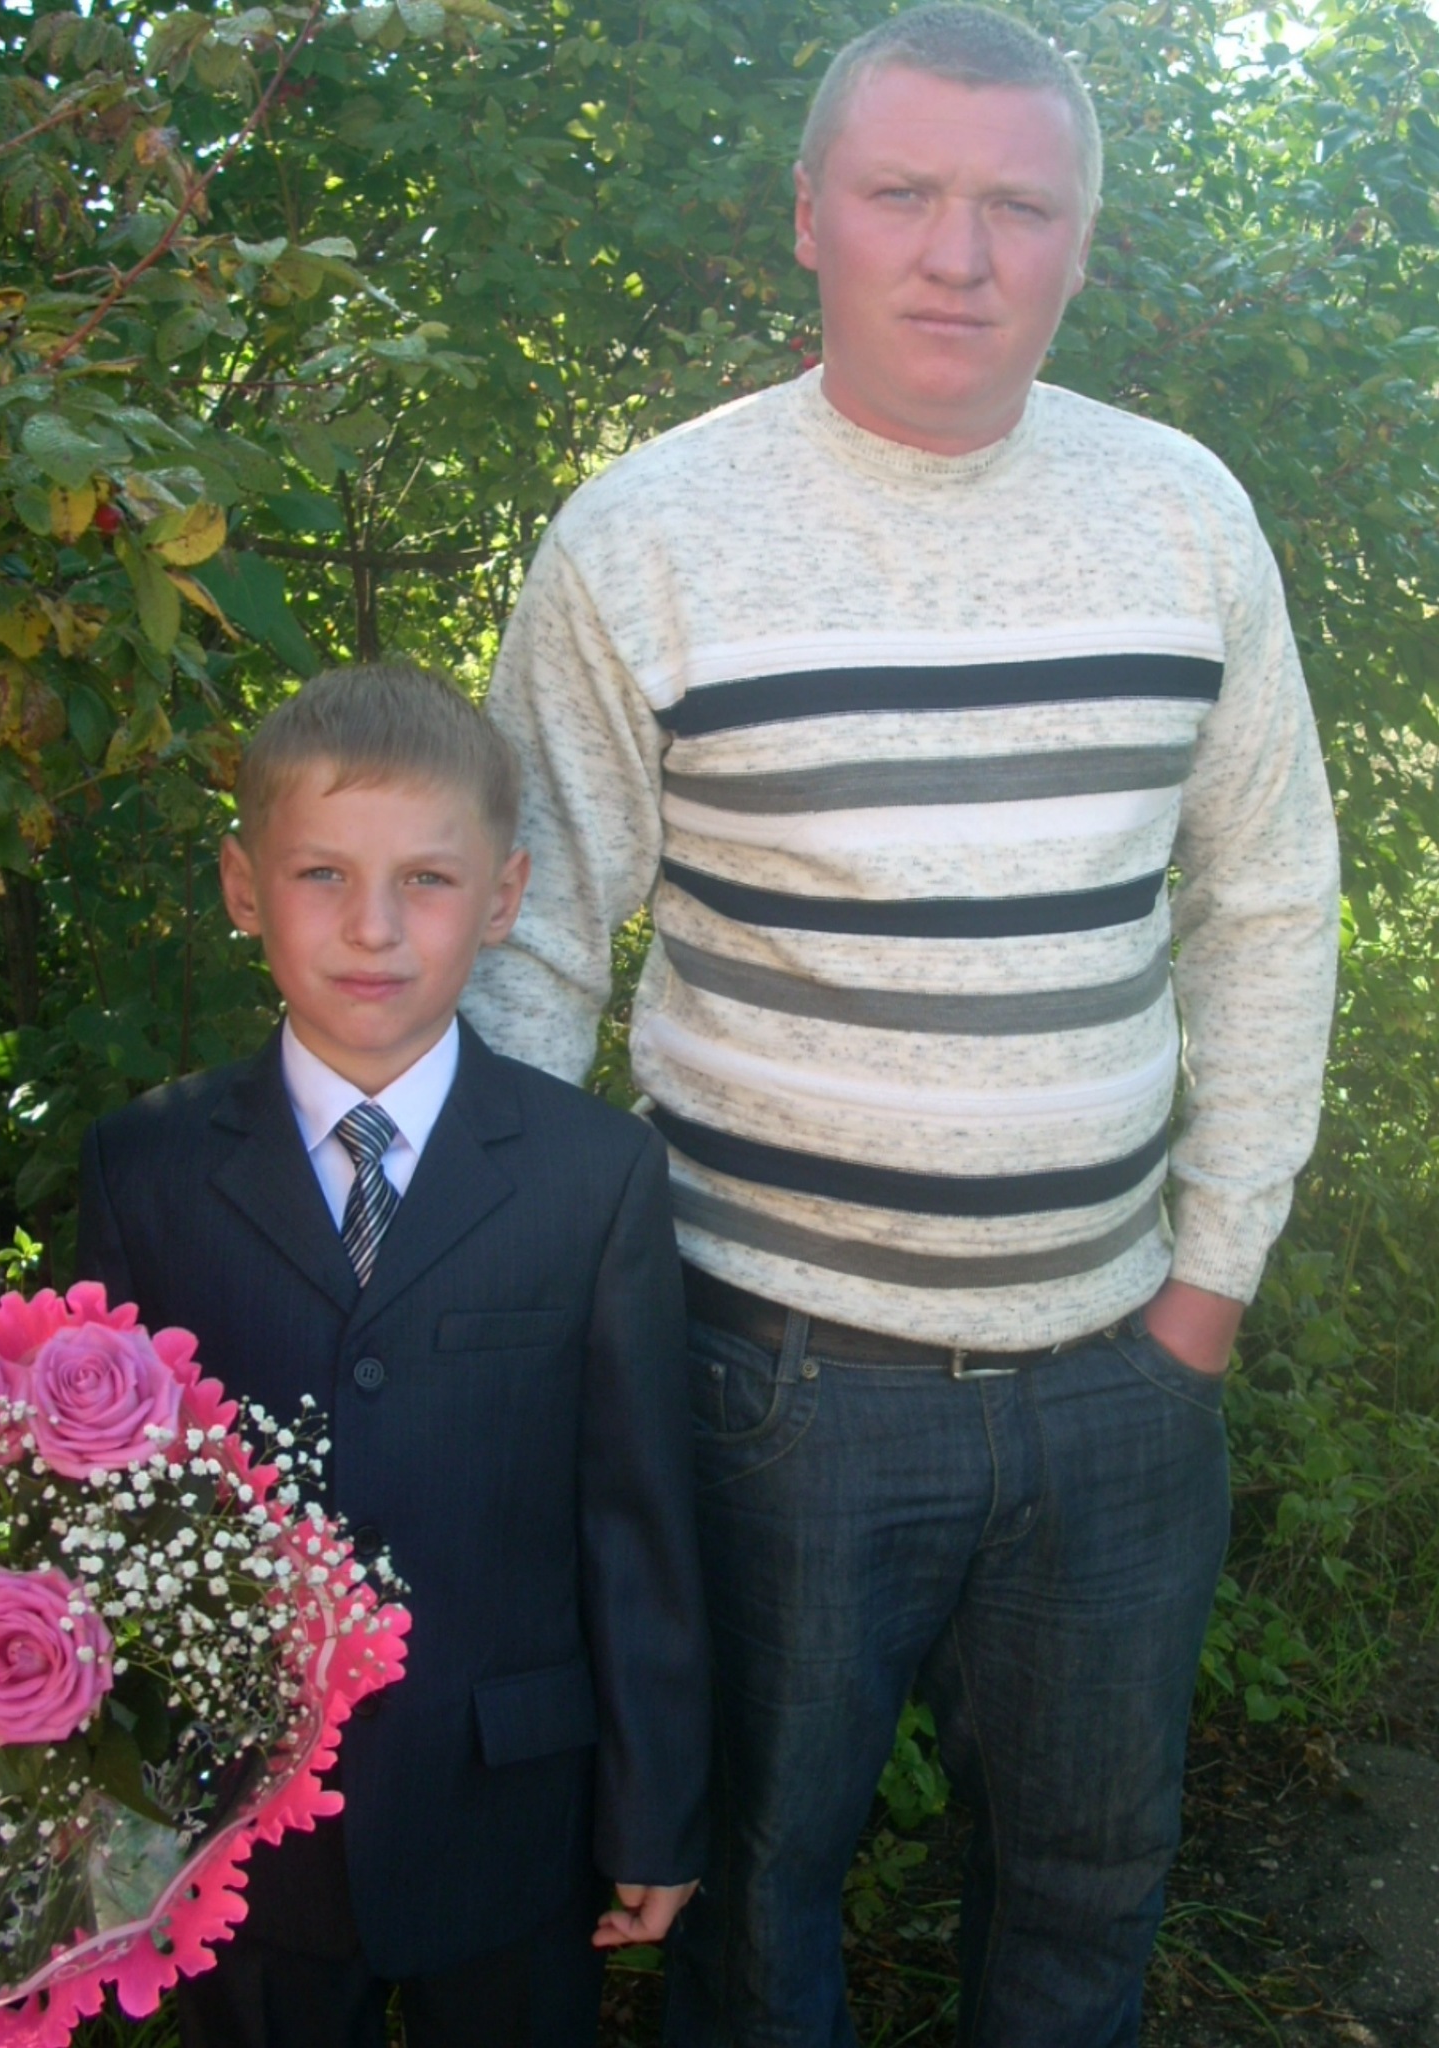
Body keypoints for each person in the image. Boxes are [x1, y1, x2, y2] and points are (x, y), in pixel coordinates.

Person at [459, 6, 1341, 2042]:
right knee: (754, 1898)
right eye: (904, 192)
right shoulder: (645, 536)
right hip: (762, 1383)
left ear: (1082, 241)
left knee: (1089, 1887)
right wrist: (517, 1339)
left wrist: (1207, 1289)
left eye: (1019, 204)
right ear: (809, 219)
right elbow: (537, 949)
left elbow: (1271, 900)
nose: (960, 252)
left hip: (1121, 1374)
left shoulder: (1185, 513)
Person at [77, 662, 709, 2048]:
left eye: (427, 880)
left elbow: (637, 1526)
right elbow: (112, 1518)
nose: (373, 928)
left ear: (504, 896)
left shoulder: (594, 1174)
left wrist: (654, 1808)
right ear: (244, 887)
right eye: (322, 874)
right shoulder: (147, 1170)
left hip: (511, 1811)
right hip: (243, 1832)